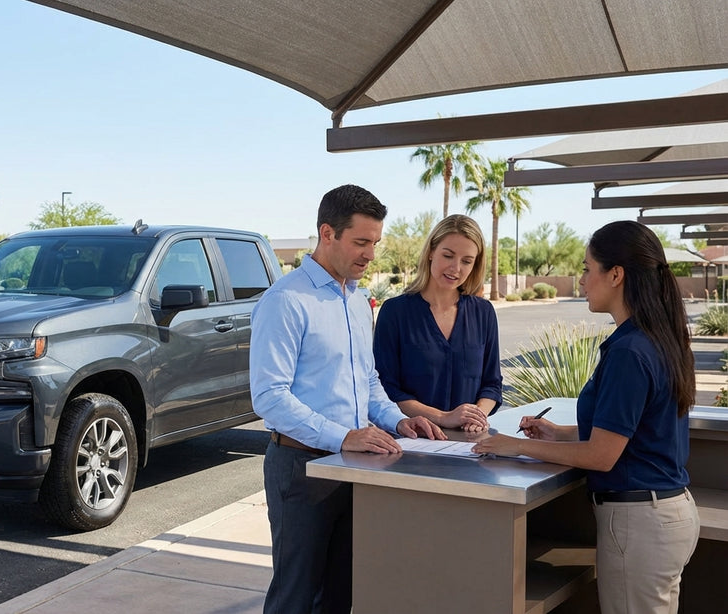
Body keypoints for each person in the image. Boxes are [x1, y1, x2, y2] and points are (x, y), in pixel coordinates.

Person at [473, 220, 700, 614]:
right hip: (663, 514)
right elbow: (626, 431)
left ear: (615, 275)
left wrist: (515, 446)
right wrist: (555, 433)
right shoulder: (656, 337)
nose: (581, 280)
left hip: (640, 524)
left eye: (585, 268)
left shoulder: (630, 351)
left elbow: (602, 455)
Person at [250, 184, 445, 614]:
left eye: (375, 243)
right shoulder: (285, 301)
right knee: (295, 597)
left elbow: (367, 380)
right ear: (327, 234)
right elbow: (269, 397)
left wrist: (397, 421)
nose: (370, 254)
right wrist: (344, 437)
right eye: (361, 242)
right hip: (301, 469)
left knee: (342, 594)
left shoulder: (357, 301)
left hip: (355, 467)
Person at [373, 214, 501, 433]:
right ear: (431, 251)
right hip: (409, 443)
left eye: (466, 261)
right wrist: (443, 417)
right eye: (448, 256)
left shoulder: (484, 313)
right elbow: (385, 390)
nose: (455, 268)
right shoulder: (394, 312)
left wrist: (475, 416)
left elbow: (492, 384)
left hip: (470, 446)